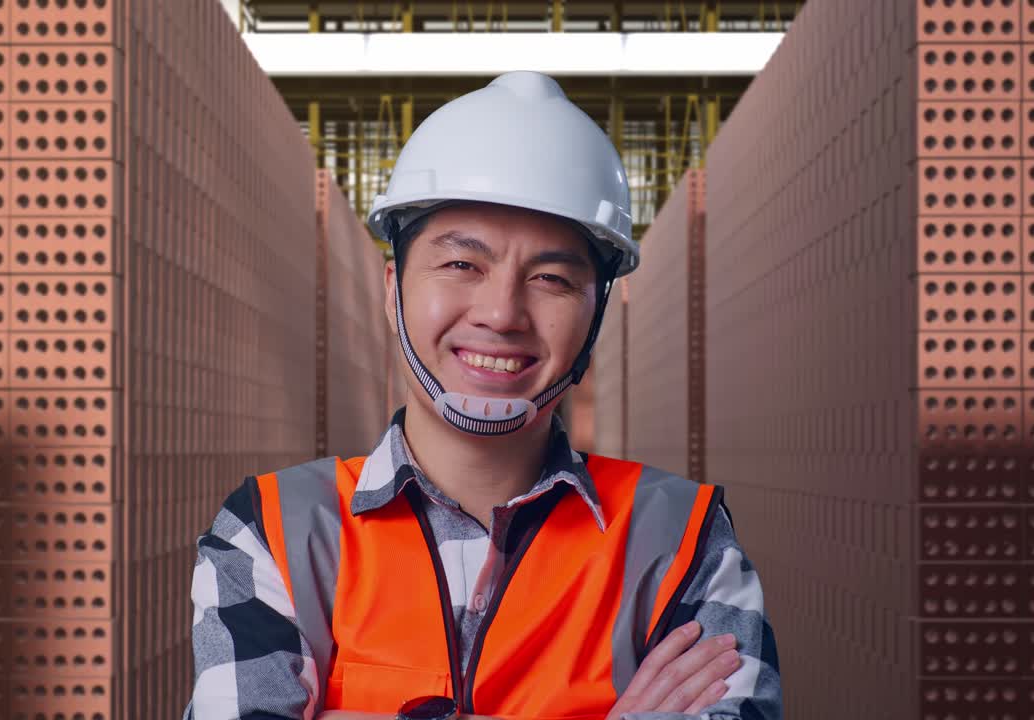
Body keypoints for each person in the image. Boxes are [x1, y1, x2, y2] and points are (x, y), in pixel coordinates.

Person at [184, 71, 781, 720]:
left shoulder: (681, 539)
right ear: (393, 290)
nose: (502, 313)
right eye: (463, 264)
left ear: (597, 313)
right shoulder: (272, 530)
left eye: (550, 277)